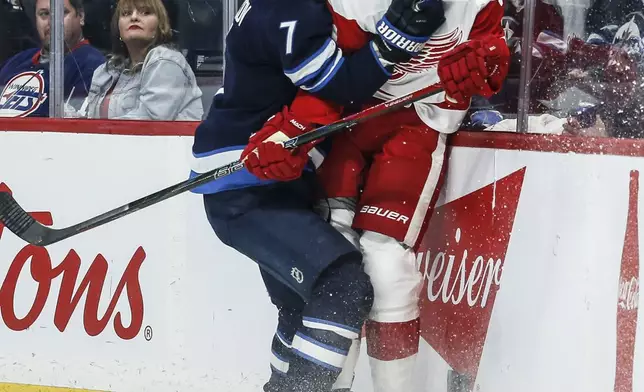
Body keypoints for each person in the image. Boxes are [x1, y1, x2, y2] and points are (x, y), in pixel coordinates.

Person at [239, 0, 510, 390]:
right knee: (334, 266)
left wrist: (485, 61)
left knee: (386, 267)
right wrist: (287, 135)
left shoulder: (478, 4)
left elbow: (492, 55)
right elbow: (329, 87)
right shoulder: (352, 4)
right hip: (347, 124)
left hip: (418, 123)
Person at [189, 0, 446, 389]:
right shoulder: (291, 8)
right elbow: (338, 85)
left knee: (298, 307)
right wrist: (392, 46)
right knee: (342, 287)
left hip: (273, 179)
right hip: (246, 183)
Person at [81, 0, 203, 120]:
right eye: (126, 13)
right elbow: (90, 119)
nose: (134, 17)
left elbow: (149, 122)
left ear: (160, 26)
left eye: (145, 12)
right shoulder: (106, 70)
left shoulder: (167, 61)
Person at [0, 0, 105, 117]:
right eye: (44, 14)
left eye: (61, 13)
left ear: (80, 16)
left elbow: (73, 125)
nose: (52, 22)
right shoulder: (17, 61)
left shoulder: (92, 65)